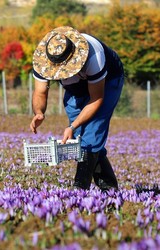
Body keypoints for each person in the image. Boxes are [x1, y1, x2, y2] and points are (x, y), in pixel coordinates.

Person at [30, 26, 124, 192]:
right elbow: (40, 91)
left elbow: (96, 99)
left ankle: (79, 189)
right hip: (75, 87)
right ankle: (109, 187)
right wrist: (39, 112)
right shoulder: (44, 58)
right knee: (80, 136)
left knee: (93, 132)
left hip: (107, 82)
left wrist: (71, 126)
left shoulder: (94, 56)